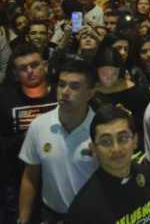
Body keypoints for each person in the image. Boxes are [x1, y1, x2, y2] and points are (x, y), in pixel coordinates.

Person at [18, 56, 98, 223]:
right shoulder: (39, 126)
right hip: (51, 216)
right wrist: (23, 220)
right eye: (61, 84)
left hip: (93, 217)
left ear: (90, 93)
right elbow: (30, 176)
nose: (65, 92)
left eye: (74, 86)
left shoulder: (100, 130)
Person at [67, 105, 150, 224]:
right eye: (106, 142)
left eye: (123, 138)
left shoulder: (146, 174)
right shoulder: (84, 207)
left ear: (135, 141)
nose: (116, 149)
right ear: (94, 149)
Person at [0, 45, 56, 224]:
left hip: (57, 175)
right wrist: (29, 139)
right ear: (15, 74)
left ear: (45, 66)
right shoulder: (4, 98)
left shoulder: (59, 93)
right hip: (18, 179)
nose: (30, 71)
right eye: (23, 68)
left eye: (35, 65)